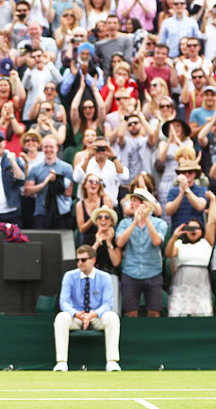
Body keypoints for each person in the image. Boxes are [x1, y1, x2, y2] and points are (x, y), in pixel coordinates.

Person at [53, 244, 121, 372]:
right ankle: (61, 362)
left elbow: (108, 304)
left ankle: (112, 362)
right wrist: (77, 314)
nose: (80, 263)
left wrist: (92, 315)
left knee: (112, 317)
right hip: (77, 316)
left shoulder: (105, 277)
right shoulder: (69, 276)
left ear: (93, 260)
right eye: (77, 260)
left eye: (83, 260)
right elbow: (64, 302)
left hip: (96, 317)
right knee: (61, 317)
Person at [115, 188, 167, 317]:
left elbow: (156, 242)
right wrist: (135, 222)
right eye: (131, 201)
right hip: (130, 272)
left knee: (154, 312)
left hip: (153, 272)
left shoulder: (160, 223)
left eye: (135, 201)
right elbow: (119, 243)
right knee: (130, 313)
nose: (131, 204)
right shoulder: (124, 223)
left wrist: (146, 218)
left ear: (145, 204)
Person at [166, 218, 215, 317]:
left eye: (196, 228)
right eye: (190, 228)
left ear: (202, 231)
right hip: (181, 285)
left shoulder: (206, 243)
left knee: (203, 313)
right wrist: (174, 237)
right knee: (178, 313)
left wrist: (213, 202)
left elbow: (212, 221)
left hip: (202, 286)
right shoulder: (179, 243)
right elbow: (169, 254)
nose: (193, 230)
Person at [24, 135, 74, 229]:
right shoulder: (35, 169)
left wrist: (57, 181)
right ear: (42, 148)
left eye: (51, 147)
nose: (48, 150)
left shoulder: (66, 167)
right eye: (46, 147)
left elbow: (68, 193)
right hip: (41, 212)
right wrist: (45, 182)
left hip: (61, 213)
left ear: (57, 148)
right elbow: (27, 191)